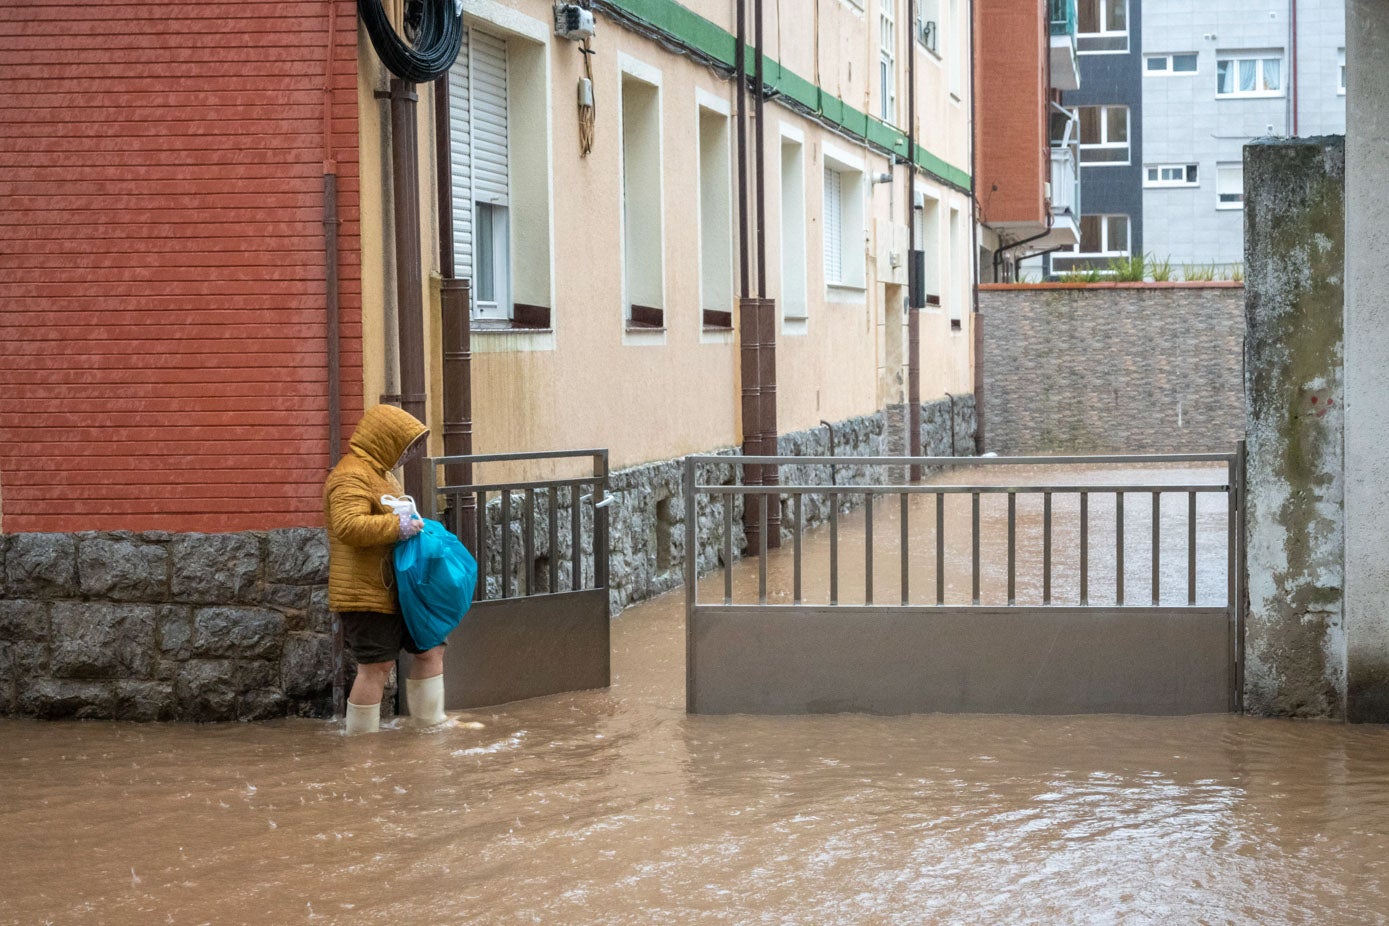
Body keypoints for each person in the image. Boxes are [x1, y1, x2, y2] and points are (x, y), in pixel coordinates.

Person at [324, 403, 447, 735]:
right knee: (376, 666)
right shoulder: (350, 475)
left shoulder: (381, 474)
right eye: (404, 445)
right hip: (364, 593)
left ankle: (431, 728)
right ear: (384, 440)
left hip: (400, 588)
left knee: (431, 649)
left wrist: (412, 525)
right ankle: (362, 743)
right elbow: (348, 526)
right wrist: (400, 526)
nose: (407, 454)